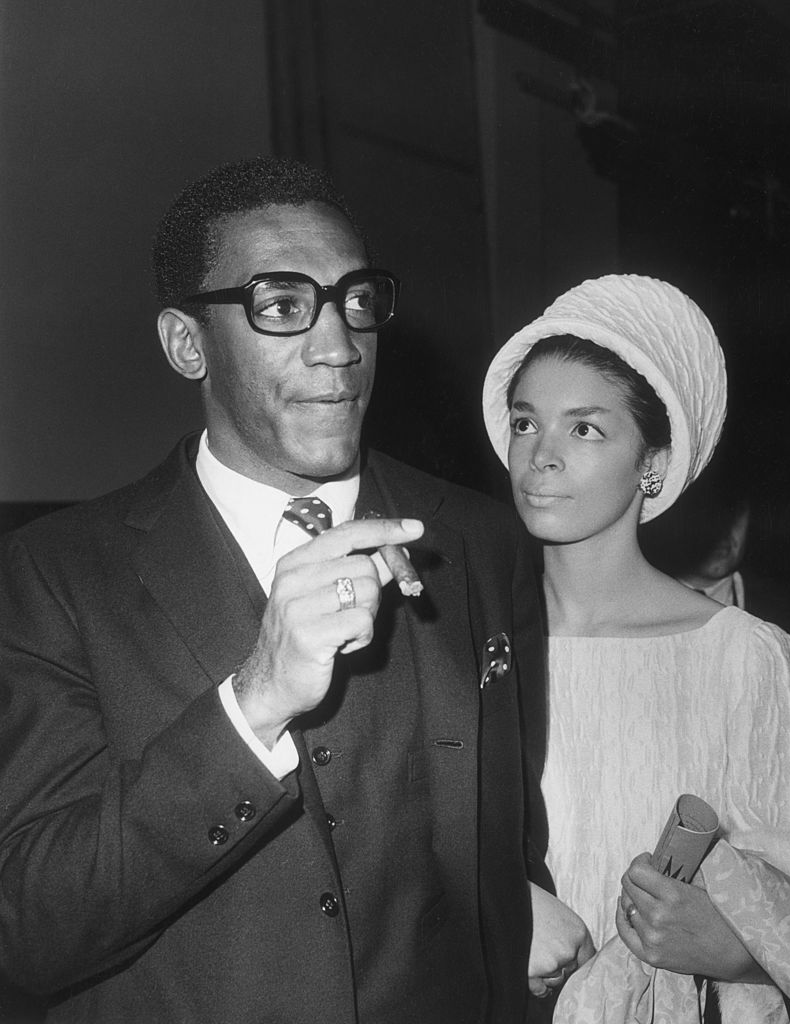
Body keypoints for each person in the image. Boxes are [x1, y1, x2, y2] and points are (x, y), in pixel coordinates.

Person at [0, 156, 577, 1024]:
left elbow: (503, 843)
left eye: (354, 300)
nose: (338, 345)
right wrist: (253, 702)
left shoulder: (478, 541)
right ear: (186, 344)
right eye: (279, 306)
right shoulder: (56, 575)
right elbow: (32, 932)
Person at [481, 275, 790, 1019]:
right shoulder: (463, 636)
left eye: (584, 428)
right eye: (526, 424)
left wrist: (734, 948)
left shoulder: (742, 658)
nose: (541, 456)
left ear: (652, 462)